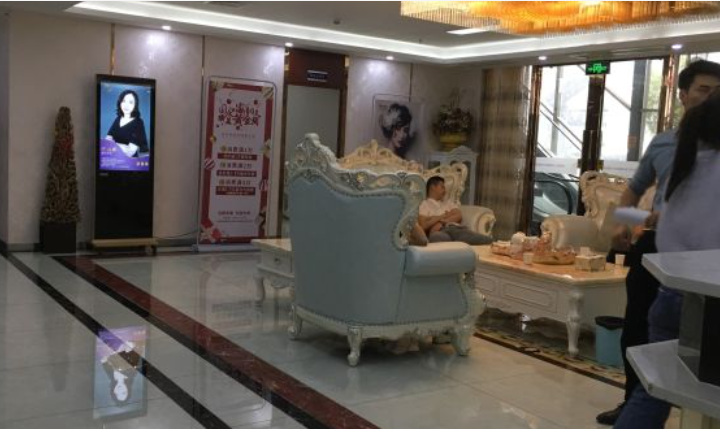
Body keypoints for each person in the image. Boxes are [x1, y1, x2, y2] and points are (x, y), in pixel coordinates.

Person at [596, 59, 720, 426]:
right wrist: (626, 222)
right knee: (638, 331)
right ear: (683, 94)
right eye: (704, 89)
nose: (710, 97)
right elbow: (634, 192)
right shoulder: (665, 142)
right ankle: (631, 398)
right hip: (657, 249)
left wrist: (664, 216)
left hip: (692, 255)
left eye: (717, 91)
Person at [418, 176, 492, 245]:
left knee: (486, 241)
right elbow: (423, 224)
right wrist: (443, 215)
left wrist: (439, 222)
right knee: (437, 237)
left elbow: (458, 215)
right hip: (438, 232)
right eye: (442, 187)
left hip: (453, 229)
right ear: (433, 187)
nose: (445, 190)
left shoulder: (448, 202)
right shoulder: (424, 204)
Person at [106, 89, 149, 158]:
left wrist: (113, 145)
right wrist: (120, 146)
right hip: (113, 159)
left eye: (130, 102)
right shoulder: (118, 119)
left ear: (135, 105)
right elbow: (107, 140)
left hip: (129, 161)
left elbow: (130, 151)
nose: (126, 105)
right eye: (123, 101)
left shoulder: (138, 122)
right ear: (120, 102)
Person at [101, 341, 141, 406]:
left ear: (113, 392)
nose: (120, 390)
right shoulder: (132, 373)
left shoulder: (112, 377)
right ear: (128, 390)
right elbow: (133, 349)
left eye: (117, 394)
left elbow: (103, 361)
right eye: (123, 392)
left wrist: (107, 356)